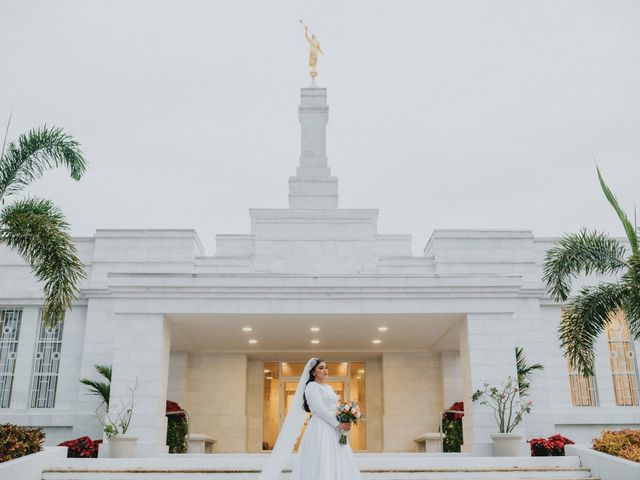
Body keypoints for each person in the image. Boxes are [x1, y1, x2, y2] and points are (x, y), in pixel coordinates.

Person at [258, 358, 362, 480]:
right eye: (321, 368)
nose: (325, 370)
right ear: (313, 372)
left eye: (326, 367)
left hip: (335, 429)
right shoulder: (311, 387)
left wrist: (344, 418)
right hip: (321, 428)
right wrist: (337, 424)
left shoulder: (328, 387)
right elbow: (319, 409)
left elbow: (335, 407)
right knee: (323, 457)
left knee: (337, 456)